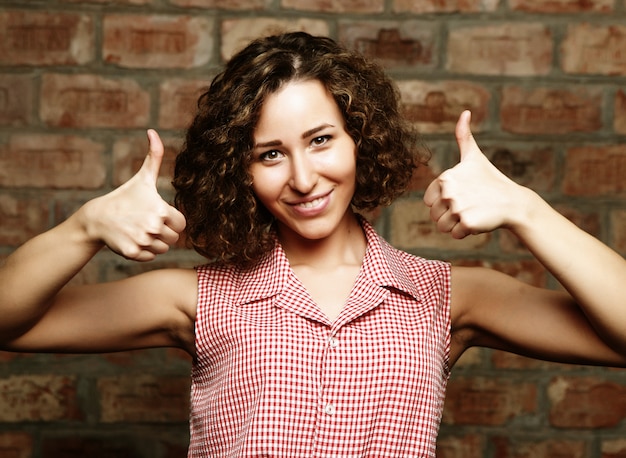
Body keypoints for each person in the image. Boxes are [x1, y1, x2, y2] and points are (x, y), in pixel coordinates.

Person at [0, 31, 625, 457]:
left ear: (360, 138)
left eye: (322, 140)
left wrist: (526, 210)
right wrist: (83, 227)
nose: (302, 179)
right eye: (270, 154)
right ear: (239, 170)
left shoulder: (446, 297)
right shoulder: (198, 299)